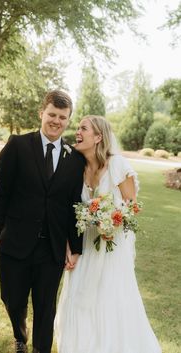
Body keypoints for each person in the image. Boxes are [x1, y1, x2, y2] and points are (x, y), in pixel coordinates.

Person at [55, 115, 162, 353]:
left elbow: (132, 206)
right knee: (80, 296)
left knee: (110, 297)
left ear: (98, 137)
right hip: (85, 245)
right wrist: (68, 246)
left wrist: (111, 221)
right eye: (78, 128)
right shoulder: (76, 168)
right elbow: (69, 210)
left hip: (112, 245)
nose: (77, 132)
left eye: (84, 128)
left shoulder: (117, 165)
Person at [0, 90, 85, 353]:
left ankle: (41, 349)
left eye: (62, 117)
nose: (56, 121)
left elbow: (74, 204)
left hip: (50, 248)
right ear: (41, 113)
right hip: (15, 242)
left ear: (68, 121)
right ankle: (20, 335)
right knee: (12, 299)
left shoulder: (75, 159)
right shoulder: (17, 145)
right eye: (52, 114)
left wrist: (75, 247)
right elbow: (1, 192)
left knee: (46, 306)